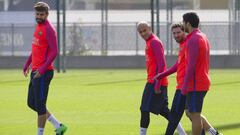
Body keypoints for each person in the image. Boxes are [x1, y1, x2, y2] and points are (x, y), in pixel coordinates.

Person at [154, 22, 222, 135]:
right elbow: (178, 65)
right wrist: (162, 74)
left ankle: (213, 132)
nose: (176, 35)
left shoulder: (189, 43)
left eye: (178, 32)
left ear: (184, 31)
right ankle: (214, 132)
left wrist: (184, 86)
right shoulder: (183, 44)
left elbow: (192, 66)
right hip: (183, 85)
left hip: (187, 86)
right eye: (174, 33)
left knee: (177, 115)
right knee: (191, 114)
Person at [22, 2, 67, 135]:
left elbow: (54, 52)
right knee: (31, 103)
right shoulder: (38, 26)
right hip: (35, 71)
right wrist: (27, 64)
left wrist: (41, 70)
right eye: (37, 14)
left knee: (40, 106)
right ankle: (59, 126)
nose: (39, 16)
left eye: (42, 14)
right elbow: (36, 49)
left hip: (43, 73)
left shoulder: (49, 29)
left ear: (47, 15)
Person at [137, 21, 186, 135]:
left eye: (145, 30)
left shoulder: (154, 42)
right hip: (155, 81)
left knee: (144, 109)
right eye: (140, 32)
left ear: (150, 28)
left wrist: (157, 84)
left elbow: (162, 64)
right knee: (163, 111)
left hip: (155, 82)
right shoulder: (150, 42)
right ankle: (183, 133)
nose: (143, 33)